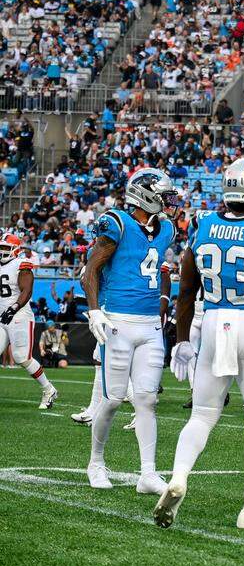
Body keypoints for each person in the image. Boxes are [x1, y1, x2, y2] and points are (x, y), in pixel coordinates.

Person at [154, 158, 244, 530]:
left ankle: (180, 476)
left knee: (202, 415)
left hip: (213, 320)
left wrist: (182, 340)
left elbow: (186, 292)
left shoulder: (204, 224)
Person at [81, 168, 176, 494]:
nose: (169, 200)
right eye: (164, 194)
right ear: (145, 194)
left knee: (147, 400)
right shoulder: (117, 223)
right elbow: (90, 270)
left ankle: (147, 474)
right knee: (111, 400)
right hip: (118, 320)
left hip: (150, 325)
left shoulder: (167, 229)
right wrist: (95, 310)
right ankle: (96, 462)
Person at [0, 234, 58, 409]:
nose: (2, 251)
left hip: (19, 316)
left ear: (15, 250)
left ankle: (49, 390)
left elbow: (26, 290)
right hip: (2, 317)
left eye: (5, 248)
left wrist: (13, 308)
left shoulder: (21, 264)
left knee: (21, 357)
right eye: (1, 247)